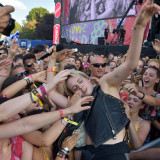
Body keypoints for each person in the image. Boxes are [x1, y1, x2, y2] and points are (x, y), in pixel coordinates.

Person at [49, 1, 160, 159]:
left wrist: (139, 26)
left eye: (79, 82)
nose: (79, 88)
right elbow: (51, 94)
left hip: (113, 153)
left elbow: (130, 64)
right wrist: (53, 62)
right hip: (89, 154)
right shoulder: (75, 105)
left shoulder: (105, 84)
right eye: (74, 88)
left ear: (86, 77)